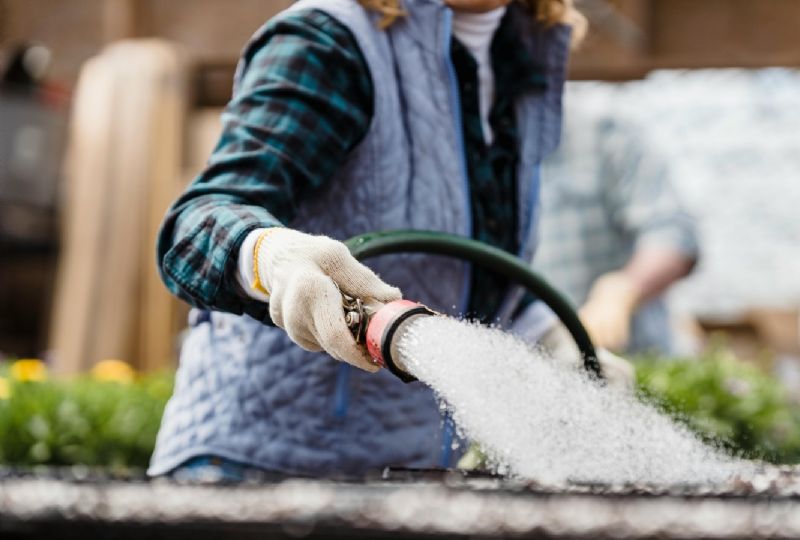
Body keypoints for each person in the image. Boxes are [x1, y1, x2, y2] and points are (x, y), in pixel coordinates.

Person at [148, 0, 586, 479]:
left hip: (409, 477)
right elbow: (193, 226)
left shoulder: (524, 61)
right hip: (253, 470)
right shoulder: (329, 42)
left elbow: (460, 277)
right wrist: (270, 258)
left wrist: (546, 339)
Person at [529, 85, 700, 361]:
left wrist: (622, 289)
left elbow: (672, 232)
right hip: (528, 371)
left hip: (629, 359)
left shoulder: (603, 131)